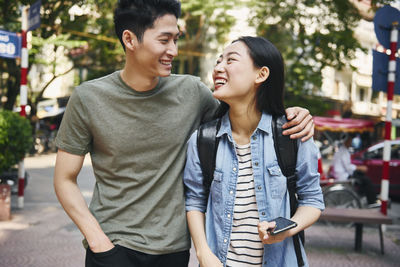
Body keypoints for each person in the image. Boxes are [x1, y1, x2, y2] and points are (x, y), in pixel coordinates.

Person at [53, 1, 314, 266]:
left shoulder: (192, 92)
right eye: (164, 40)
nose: (174, 51)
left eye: (176, 39)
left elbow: (244, 115)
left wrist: (292, 114)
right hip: (110, 246)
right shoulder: (88, 98)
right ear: (130, 39)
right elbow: (64, 179)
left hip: (173, 251)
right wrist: (99, 243)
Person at [184, 36, 324, 267]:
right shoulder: (203, 139)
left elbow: (313, 200)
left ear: (261, 74)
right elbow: (195, 200)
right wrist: (203, 254)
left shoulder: (291, 135)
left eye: (230, 60)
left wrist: (286, 229)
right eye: (219, 61)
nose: (218, 68)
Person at [332, 133, 377, 205]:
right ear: (346, 141)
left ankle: (369, 199)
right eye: (350, 141)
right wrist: (359, 168)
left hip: (342, 174)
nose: (351, 143)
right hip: (343, 176)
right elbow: (348, 168)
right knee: (366, 180)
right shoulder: (343, 152)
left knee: (363, 177)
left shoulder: (342, 150)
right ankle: (372, 201)